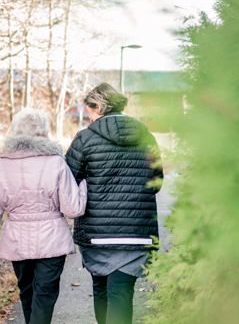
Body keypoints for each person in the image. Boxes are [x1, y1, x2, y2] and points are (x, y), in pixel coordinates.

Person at [0, 108, 87, 324]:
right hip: (52, 242)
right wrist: (83, 185)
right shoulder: (56, 163)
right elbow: (74, 210)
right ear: (44, 132)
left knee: (27, 293)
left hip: (17, 243)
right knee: (44, 296)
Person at [65, 83, 164, 324]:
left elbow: (67, 181)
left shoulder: (85, 139)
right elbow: (157, 181)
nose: (87, 115)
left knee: (101, 289)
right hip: (137, 233)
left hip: (98, 234)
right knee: (122, 293)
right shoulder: (145, 135)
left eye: (88, 109)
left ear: (98, 107)